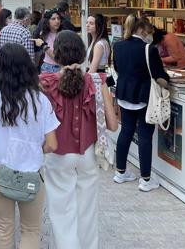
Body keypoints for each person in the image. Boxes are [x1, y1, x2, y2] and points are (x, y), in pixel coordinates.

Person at [40, 30, 119, 249]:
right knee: (87, 211)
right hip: (88, 155)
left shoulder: (45, 83)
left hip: (57, 154)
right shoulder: (97, 81)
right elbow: (112, 125)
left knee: (62, 212)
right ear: (83, 53)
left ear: (56, 54)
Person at [0, 43, 59, 248]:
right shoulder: (40, 100)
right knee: (31, 230)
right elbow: (52, 144)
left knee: (3, 228)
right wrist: (30, 148)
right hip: (31, 173)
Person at [113, 16, 170, 192]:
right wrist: (167, 81)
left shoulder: (118, 45)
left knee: (126, 132)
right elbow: (160, 76)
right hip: (144, 97)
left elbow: (116, 68)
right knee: (145, 136)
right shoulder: (149, 49)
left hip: (124, 94)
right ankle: (145, 179)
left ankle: (120, 172)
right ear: (143, 31)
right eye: (149, 33)